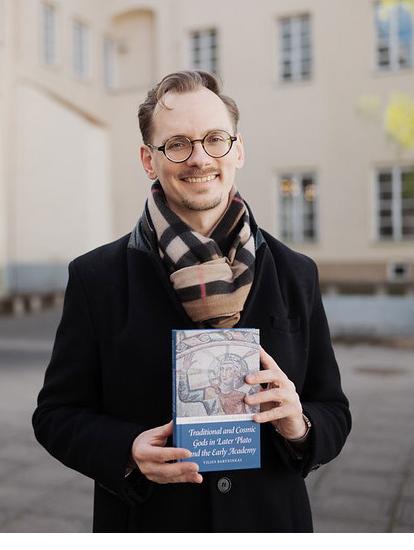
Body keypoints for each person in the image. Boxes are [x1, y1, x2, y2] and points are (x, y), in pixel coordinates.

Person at [32, 70, 351, 533]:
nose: (199, 158)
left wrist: (300, 425)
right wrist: (126, 451)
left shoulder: (295, 272)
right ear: (148, 159)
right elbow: (56, 415)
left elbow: (334, 410)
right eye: (177, 143)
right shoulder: (95, 277)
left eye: (214, 139)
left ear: (237, 150)